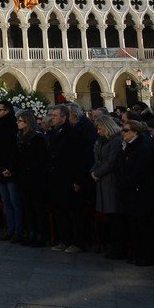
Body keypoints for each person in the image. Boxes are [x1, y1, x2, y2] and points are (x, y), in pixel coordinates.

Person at [47, 103, 91, 254]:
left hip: (70, 179)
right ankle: (64, 239)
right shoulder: (54, 133)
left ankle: (78, 242)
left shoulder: (73, 134)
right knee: (60, 210)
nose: (51, 118)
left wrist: (78, 180)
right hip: (57, 178)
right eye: (51, 115)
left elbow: (80, 159)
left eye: (54, 116)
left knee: (75, 212)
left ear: (64, 117)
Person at [116, 120, 154, 266]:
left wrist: (125, 181)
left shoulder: (142, 148)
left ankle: (146, 255)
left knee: (142, 226)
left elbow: (141, 171)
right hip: (128, 191)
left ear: (135, 132)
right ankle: (136, 253)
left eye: (126, 130)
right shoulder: (126, 147)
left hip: (140, 192)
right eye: (123, 130)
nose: (123, 132)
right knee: (133, 226)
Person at [91, 114, 124, 258]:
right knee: (107, 216)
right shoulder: (101, 140)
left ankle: (118, 247)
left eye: (100, 129)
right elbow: (97, 158)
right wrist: (93, 170)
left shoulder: (116, 141)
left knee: (114, 216)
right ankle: (109, 244)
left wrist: (97, 173)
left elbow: (111, 162)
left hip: (110, 180)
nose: (98, 131)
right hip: (101, 180)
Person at [0, 99, 23, 242]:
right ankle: (10, 229)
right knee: (6, 202)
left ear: (7, 111)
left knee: (15, 202)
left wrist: (10, 168)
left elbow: (14, 149)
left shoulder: (12, 125)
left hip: (10, 170)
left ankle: (18, 231)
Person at [16, 110, 49, 247]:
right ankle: (31, 232)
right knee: (27, 207)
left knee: (37, 207)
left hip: (35, 177)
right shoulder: (21, 136)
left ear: (27, 122)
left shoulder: (37, 137)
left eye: (20, 121)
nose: (17, 123)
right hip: (24, 176)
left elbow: (40, 159)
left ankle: (41, 234)